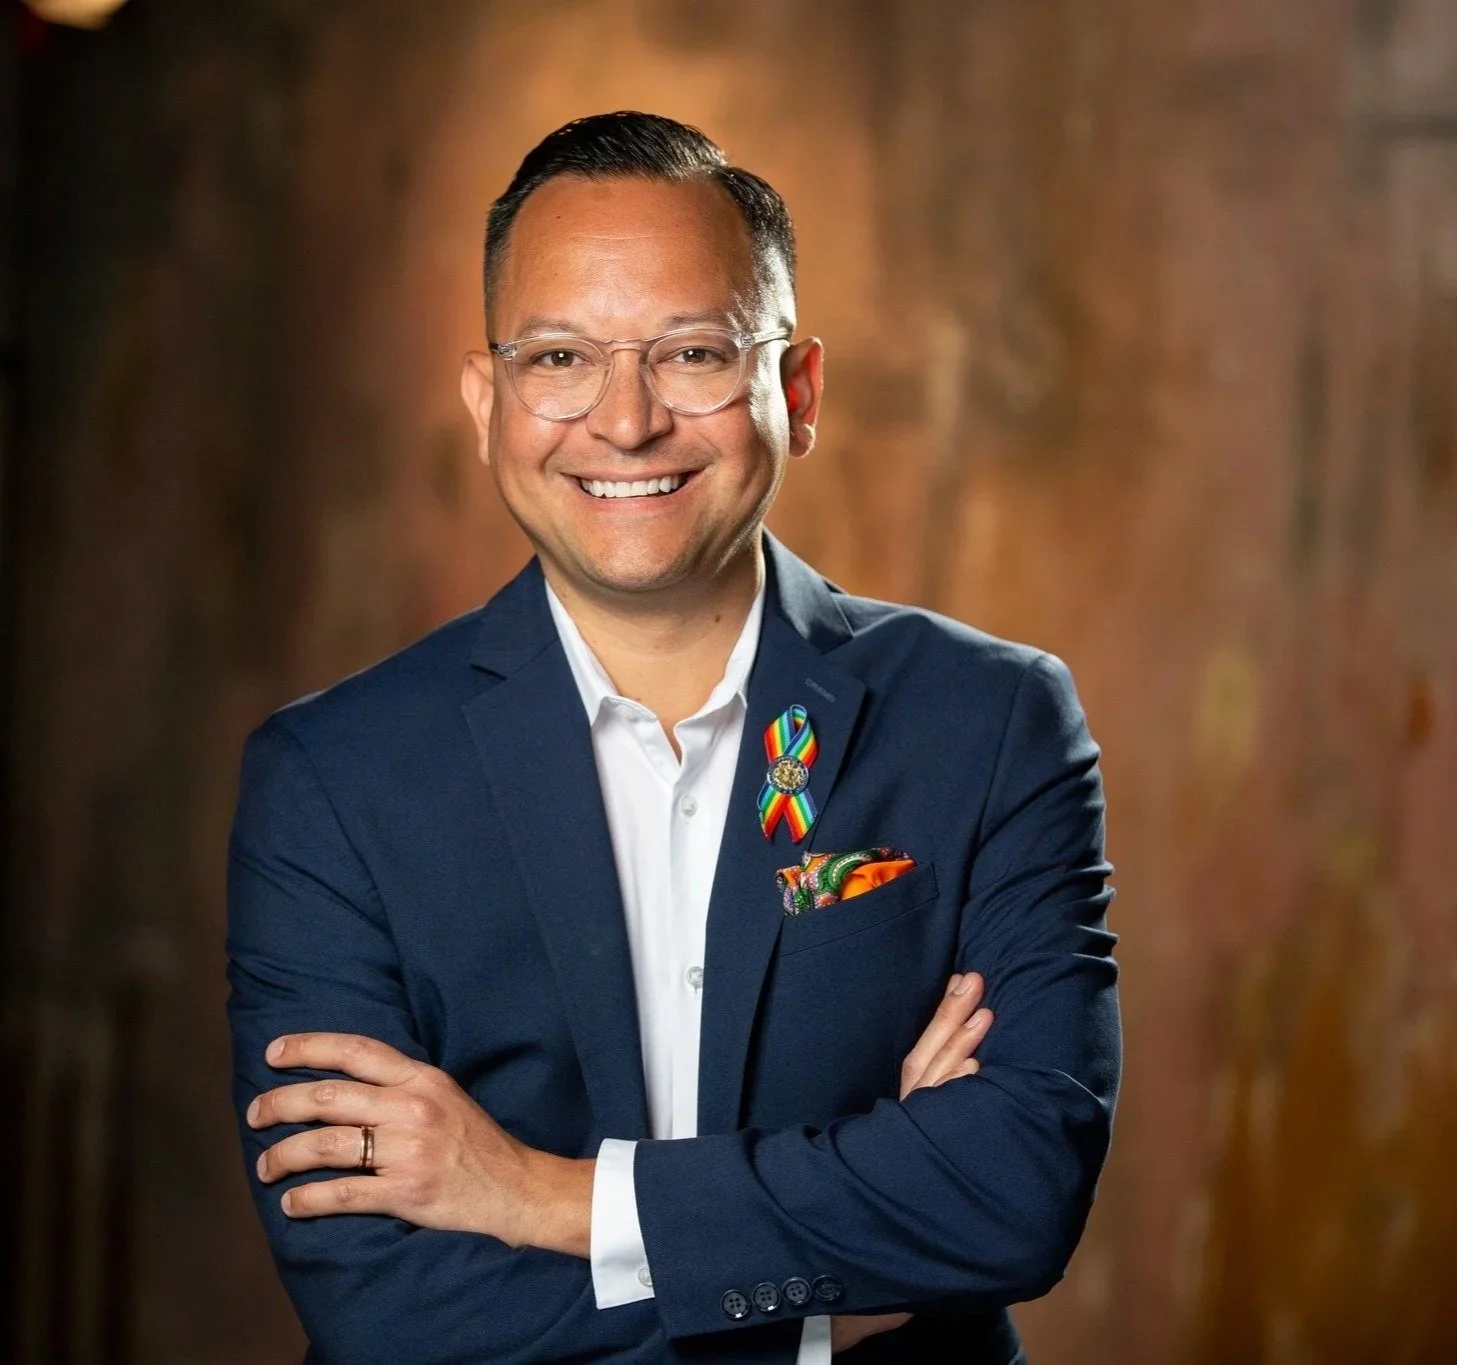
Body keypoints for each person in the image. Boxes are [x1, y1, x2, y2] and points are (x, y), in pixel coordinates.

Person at [226, 111, 1120, 1365]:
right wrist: (828, 1291)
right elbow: (380, 1304)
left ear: (793, 392)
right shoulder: (333, 781)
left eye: (693, 352)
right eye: (558, 361)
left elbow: (1015, 1192)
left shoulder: (987, 723)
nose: (625, 420)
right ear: (489, 402)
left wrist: (539, 1196)